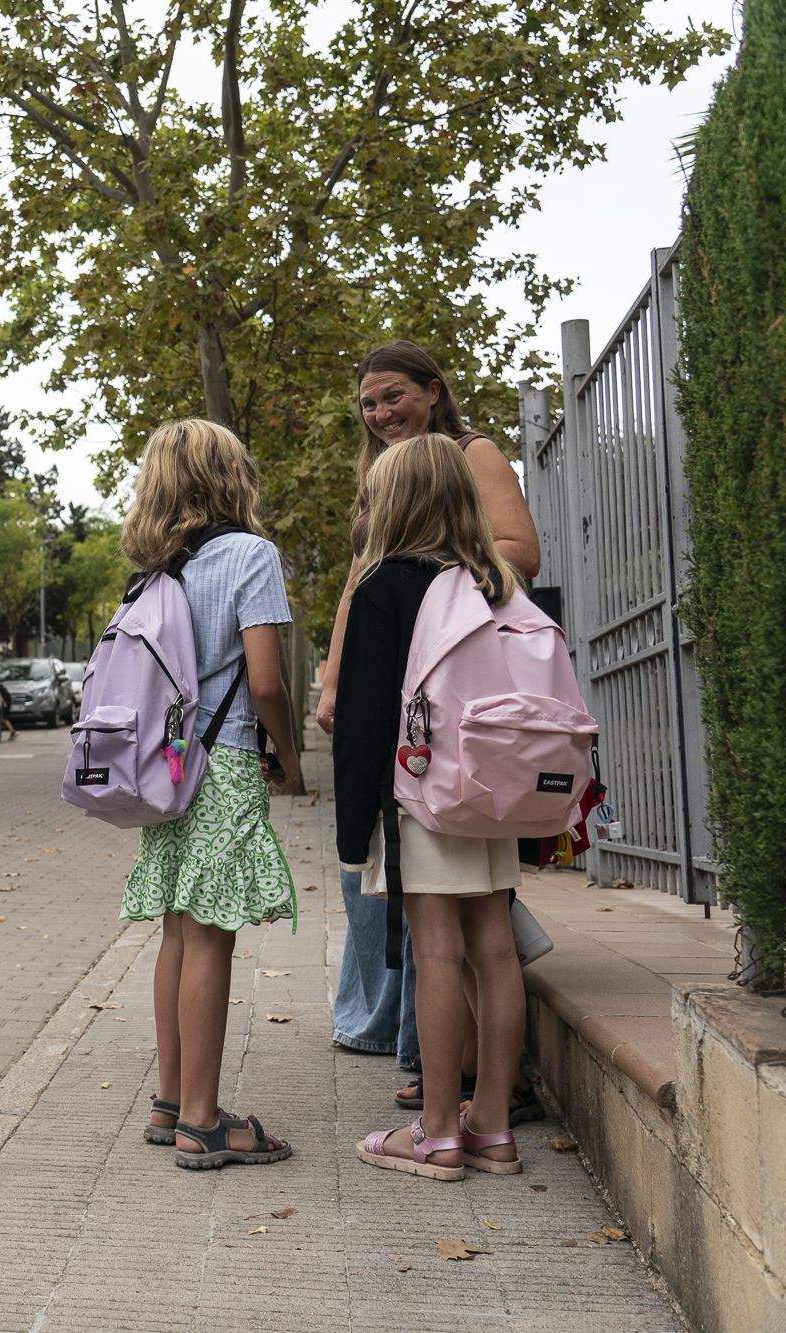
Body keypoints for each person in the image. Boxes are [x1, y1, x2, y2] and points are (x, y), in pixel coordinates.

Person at [318, 342, 543, 1116]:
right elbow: (356, 585)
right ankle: (484, 1102)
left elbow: (519, 553)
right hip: (457, 733)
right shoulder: (385, 487)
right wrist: (334, 673)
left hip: (437, 738)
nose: (381, 413)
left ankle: (449, 1111)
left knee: (445, 940)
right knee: (486, 934)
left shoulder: (466, 458)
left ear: (434, 390)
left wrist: (425, 581)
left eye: (394, 396)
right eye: (368, 403)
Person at [337, 434, 526, 1181]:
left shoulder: (386, 586)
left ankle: (438, 1131)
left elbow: (362, 721)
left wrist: (354, 829)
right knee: (496, 950)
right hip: (494, 790)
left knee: (438, 950)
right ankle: (493, 1126)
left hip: (422, 793)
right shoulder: (495, 581)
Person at [116, 419, 301, 1170]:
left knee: (175, 929)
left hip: (166, 764)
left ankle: (169, 1100)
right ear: (231, 476)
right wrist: (289, 757)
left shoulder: (154, 572)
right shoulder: (251, 556)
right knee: (211, 933)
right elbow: (266, 681)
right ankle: (202, 1121)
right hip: (223, 761)